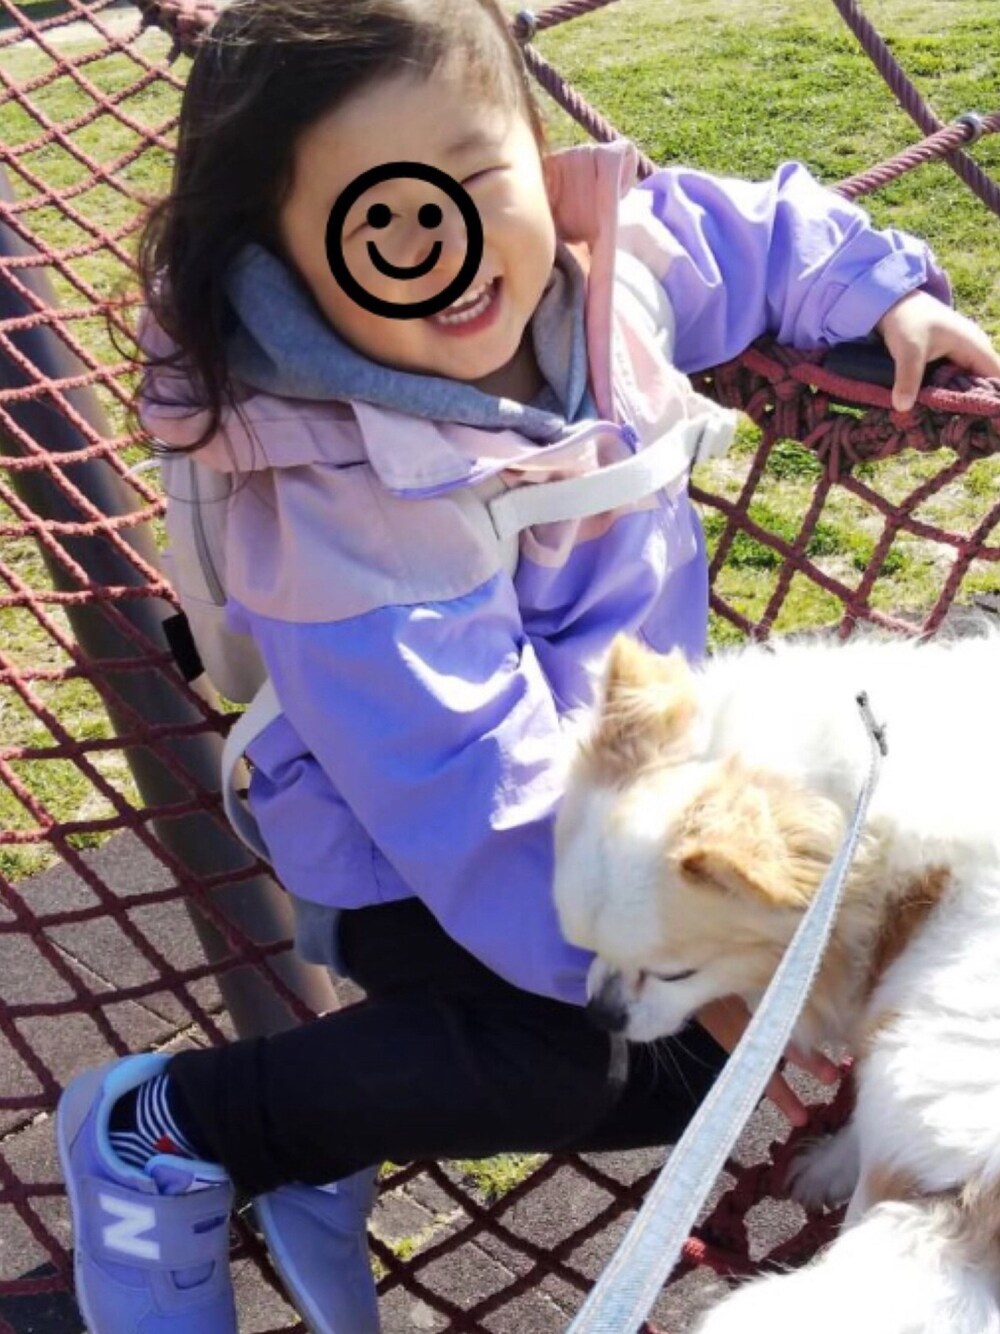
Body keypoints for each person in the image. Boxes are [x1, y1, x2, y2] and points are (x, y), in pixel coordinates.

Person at [55, 1, 1000, 1332]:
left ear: (533, 156)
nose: (433, 246)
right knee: (617, 1059)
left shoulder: (605, 276)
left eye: (476, 176)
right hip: (408, 857)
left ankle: (314, 1132)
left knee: (701, 1031)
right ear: (282, 253)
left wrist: (875, 289)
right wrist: (688, 956)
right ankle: (176, 1127)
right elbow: (467, 790)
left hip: (596, 806)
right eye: (373, 220)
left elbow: (738, 233)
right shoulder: (340, 500)